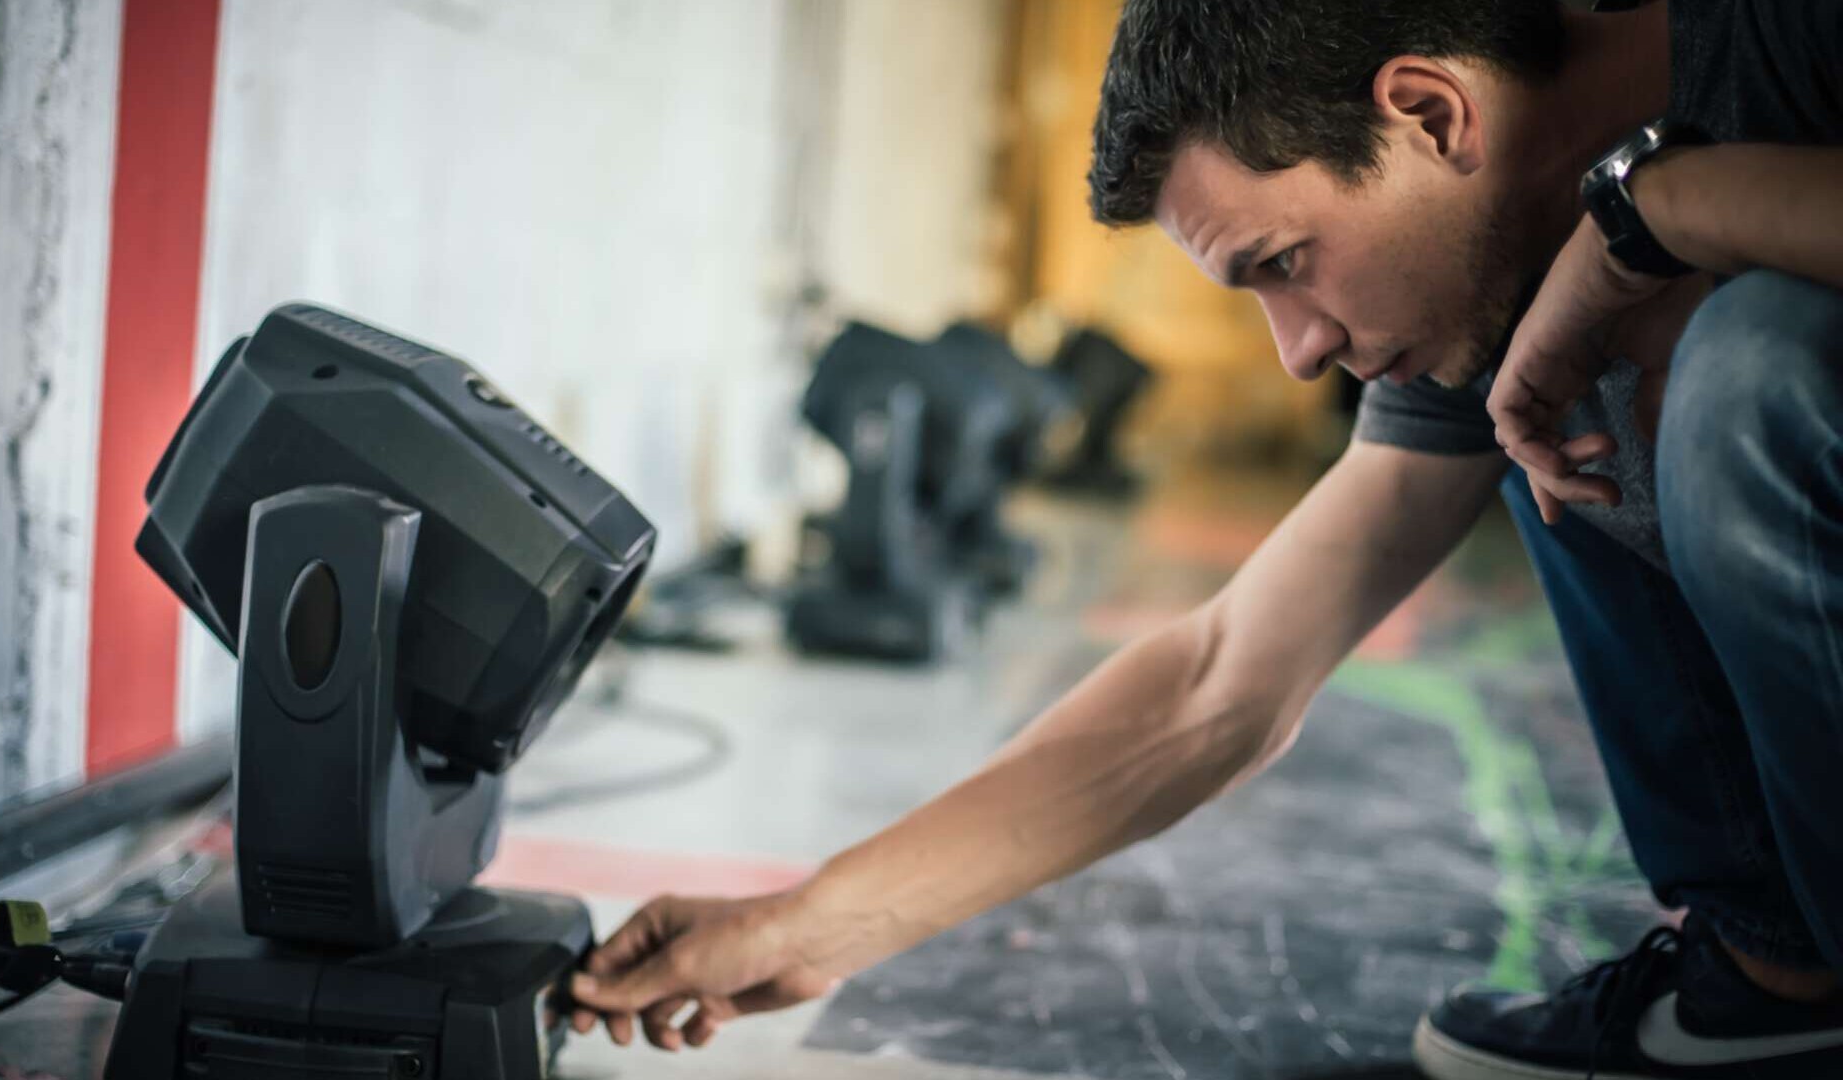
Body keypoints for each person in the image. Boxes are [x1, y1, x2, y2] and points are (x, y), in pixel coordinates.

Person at [567, 2, 1843, 1076]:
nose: (1298, 355)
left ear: (1432, 114)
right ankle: (1772, 978)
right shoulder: (1484, 248)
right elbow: (1223, 678)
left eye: (1288, 261)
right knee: (1534, 371)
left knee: (1752, 367)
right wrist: (811, 923)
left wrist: (1664, 211)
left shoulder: (1787, 42)